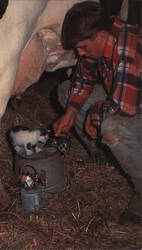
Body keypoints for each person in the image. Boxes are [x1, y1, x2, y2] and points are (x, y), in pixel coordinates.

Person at [53, 1, 142, 224]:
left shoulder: (127, 44)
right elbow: (83, 79)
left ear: (101, 35)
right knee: (66, 91)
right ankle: (105, 155)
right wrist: (71, 112)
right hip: (130, 101)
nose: (79, 53)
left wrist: (94, 114)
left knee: (112, 126)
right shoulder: (102, 42)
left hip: (134, 105)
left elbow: (124, 108)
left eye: (82, 47)